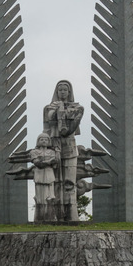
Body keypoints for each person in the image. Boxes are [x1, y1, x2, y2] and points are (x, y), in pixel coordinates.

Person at [43, 80, 84, 220]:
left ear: (69, 92)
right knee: (54, 182)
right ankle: (54, 214)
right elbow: (47, 125)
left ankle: (72, 214)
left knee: (69, 181)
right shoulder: (49, 107)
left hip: (70, 147)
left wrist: (66, 112)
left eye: (64, 90)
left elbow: (71, 129)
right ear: (56, 91)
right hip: (54, 146)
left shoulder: (76, 107)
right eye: (59, 89)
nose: (62, 92)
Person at [30, 133, 58, 221]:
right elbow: (37, 163)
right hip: (39, 174)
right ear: (38, 141)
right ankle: (39, 217)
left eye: (46, 139)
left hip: (49, 175)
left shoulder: (52, 152)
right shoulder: (33, 152)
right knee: (39, 198)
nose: (44, 141)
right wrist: (48, 162)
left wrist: (47, 161)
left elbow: (56, 162)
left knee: (50, 196)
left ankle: (50, 217)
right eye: (42, 139)